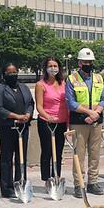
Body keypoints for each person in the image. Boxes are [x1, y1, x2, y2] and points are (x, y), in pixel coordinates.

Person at [65, 47, 104, 197]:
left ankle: (93, 182)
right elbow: (71, 103)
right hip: (79, 122)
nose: (88, 64)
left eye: (90, 62)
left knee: (95, 153)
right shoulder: (71, 79)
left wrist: (96, 113)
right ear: (79, 63)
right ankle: (79, 184)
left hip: (96, 121)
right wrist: (89, 113)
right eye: (85, 62)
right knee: (79, 154)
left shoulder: (99, 78)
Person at [0, 63, 34, 198]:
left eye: (15, 72)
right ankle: (7, 187)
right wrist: (16, 116)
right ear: (4, 74)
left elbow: (30, 103)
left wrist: (27, 115)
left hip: (23, 127)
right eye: (10, 73)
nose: (13, 75)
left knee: (22, 157)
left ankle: (20, 183)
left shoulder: (24, 87)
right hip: (7, 127)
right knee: (7, 158)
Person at [35, 56, 68, 192]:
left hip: (61, 122)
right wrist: (48, 117)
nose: (53, 68)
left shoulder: (63, 84)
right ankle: (47, 180)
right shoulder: (41, 84)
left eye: (55, 66)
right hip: (46, 122)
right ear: (45, 68)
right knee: (47, 151)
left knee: (58, 153)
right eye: (50, 66)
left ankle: (57, 177)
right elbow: (39, 106)